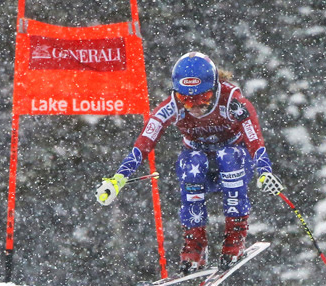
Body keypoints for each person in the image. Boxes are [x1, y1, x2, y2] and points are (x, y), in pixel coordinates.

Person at [96, 52, 284, 273]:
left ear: (214, 88)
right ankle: (195, 244)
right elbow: (144, 143)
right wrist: (118, 179)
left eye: (202, 99)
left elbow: (255, 139)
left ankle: (235, 237)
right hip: (200, 166)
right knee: (192, 161)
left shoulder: (232, 101)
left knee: (228, 156)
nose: (194, 106)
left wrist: (265, 172)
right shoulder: (172, 106)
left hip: (234, 163)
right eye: (186, 100)